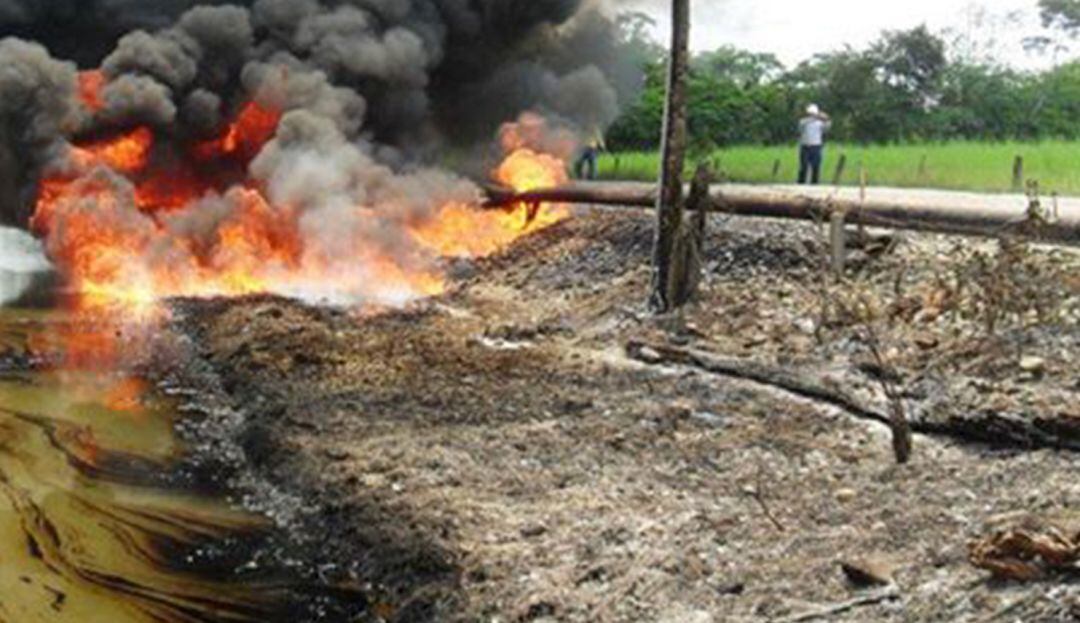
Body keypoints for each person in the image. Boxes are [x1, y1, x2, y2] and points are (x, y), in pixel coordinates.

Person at [797, 104, 831, 185]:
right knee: (804, 166)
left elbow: (827, 127)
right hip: (805, 146)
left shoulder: (820, 123)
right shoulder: (803, 121)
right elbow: (800, 127)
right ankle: (801, 183)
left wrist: (826, 118)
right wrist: (816, 118)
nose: (811, 115)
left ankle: (814, 184)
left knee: (816, 166)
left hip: (816, 147)